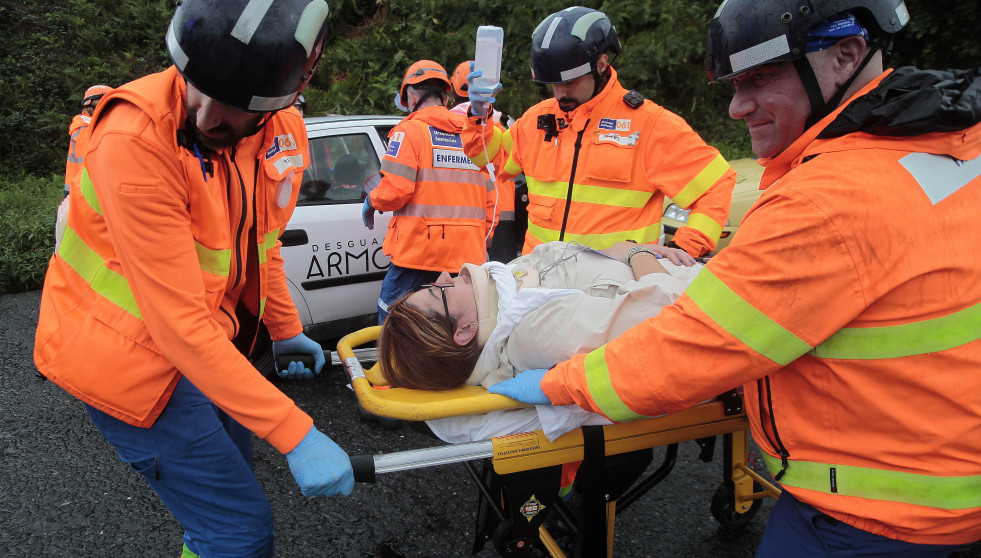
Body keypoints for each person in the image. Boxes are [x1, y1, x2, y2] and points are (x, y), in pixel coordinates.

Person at [490, 1, 981, 555]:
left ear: (846, 55)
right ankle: (544, 514)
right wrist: (497, 196)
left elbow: (695, 345)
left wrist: (682, 252)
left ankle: (557, 518)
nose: (735, 107)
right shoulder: (948, 143)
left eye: (760, 78)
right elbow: (500, 167)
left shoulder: (820, 198)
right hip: (935, 485)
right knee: (542, 466)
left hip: (872, 514)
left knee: (597, 461)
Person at [33, 1, 354, 557]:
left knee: (225, 520)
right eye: (196, 87)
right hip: (129, 364)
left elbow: (260, 245)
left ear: (289, 94)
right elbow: (177, 324)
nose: (207, 119)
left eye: (235, 108)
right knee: (238, 531)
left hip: (200, 350)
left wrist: (282, 327)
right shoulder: (134, 138)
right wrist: (295, 431)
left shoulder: (278, 132)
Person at [463, 6, 736, 257]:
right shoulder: (538, 119)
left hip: (612, 291)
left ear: (602, 65)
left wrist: (684, 250)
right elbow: (489, 158)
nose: (559, 92)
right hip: (540, 285)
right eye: (552, 83)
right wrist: (478, 114)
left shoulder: (650, 125)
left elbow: (715, 186)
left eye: (568, 82)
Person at [378, 240, 698, 438]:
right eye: (438, 292)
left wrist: (611, 252)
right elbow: (669, 312)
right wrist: (636, 251)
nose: (444, 277)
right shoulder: (539, 330)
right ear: (465, 331)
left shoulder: (501, 294)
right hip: (706, 292)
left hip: (667, 266)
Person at [362, 60, 497, 323]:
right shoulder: (473, 135)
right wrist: (484, 239)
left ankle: (394, 365)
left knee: (394, 320)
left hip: (418, 253)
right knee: (457, 324)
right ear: (446, 96)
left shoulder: (409, 132)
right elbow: (491, 195)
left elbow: (395, 191)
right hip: (466, 254)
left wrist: (371, 200)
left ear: (411, 95)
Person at [450, 59, 518, 263]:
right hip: (503, 216)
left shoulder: (447, 128)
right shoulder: (500, 129)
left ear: (451, 92)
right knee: (500, 284)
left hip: (466, 218)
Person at [63, 84, 111, 199]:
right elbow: (91, 166)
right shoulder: (86, 130)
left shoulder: (87, 127)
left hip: (79, 190)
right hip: (84, 193)